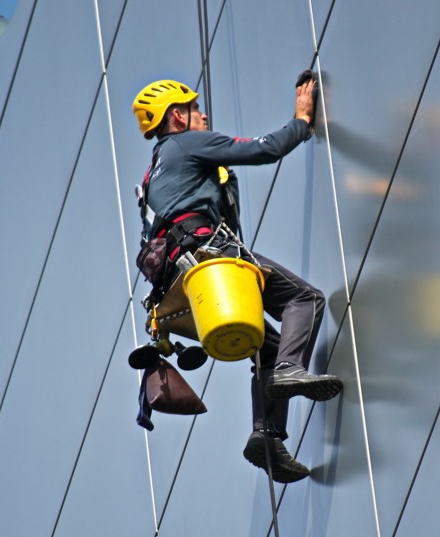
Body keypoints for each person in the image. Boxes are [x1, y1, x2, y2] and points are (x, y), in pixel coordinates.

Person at [131, 77, 343, 483]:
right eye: (195, 109)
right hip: (209, 257)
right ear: (177, 116)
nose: (204, 114)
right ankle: (290, 371)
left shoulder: (152, 174)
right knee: (306, 299)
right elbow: (263, 149)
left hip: (180, 286)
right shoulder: (185, 144)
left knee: (269, 345)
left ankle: (266, 437)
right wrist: (301, 121)